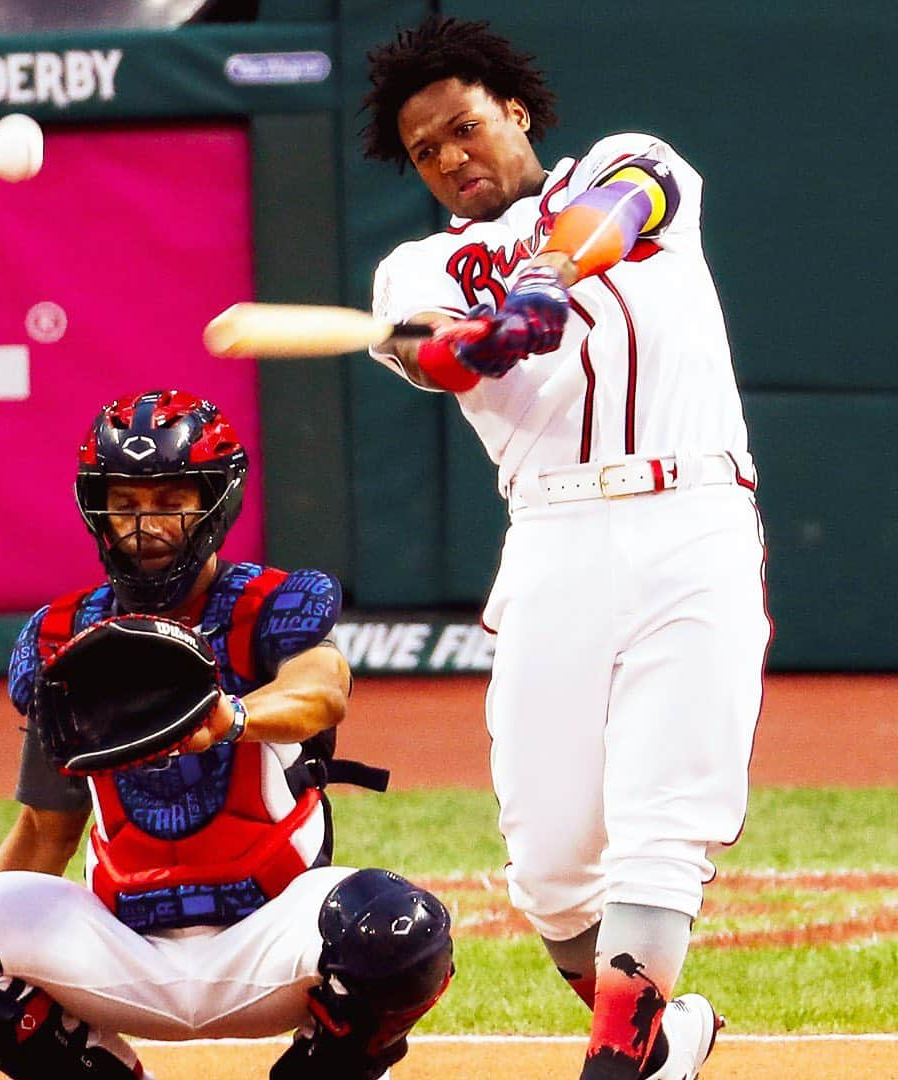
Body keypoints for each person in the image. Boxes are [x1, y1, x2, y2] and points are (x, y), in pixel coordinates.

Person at [362, 17, 770, 1080]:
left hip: (690, 517)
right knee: (547, 870)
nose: (452, 158)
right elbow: (425, 355)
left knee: (661, 824)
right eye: (426, 151)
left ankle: (619, 1062)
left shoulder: (626, 164)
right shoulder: (417, 267)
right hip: (551, 537)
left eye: (464, 127)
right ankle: (662, 1026)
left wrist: (542, 279)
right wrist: (465, 343)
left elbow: (621, 211)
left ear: (516, 112)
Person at [0, 390, 453, 1080]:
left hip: (269, 937)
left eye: (169, 502)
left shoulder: (273, 604)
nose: (146, 525)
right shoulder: (62, 639)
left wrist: (228, 720)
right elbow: (45, 832)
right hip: (120, 947)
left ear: (213, 503)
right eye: (127, 503)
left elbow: (322, 691)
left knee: (402, 926)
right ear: (97, 507)